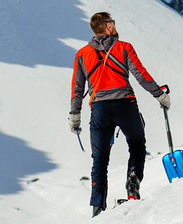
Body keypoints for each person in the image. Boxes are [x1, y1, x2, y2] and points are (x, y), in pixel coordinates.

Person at [68, 12, 170, 217]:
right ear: (107, 27)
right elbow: (141, 75)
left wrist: (75, 116)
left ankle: (98, 207)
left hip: (99, 109)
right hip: (125, 104)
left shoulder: (81, 55)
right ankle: (133, 183)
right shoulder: (124, 47)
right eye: (112, 23)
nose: (115, 26)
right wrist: (160, 95)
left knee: (99, 159)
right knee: (136, 142)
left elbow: (77, 88)